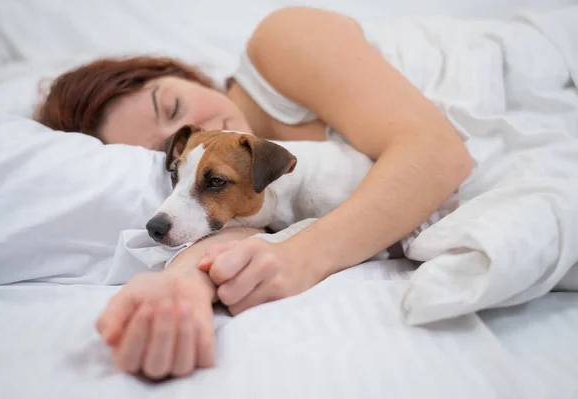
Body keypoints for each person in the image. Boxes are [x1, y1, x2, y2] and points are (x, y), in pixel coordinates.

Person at [35, 7, 472, 379]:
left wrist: (306, 255)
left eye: (171, 107)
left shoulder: (281, 40)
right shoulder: (245, 182)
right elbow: (239, 228)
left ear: (180, 73)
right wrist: (182, 284)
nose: (191, 136)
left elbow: (440, 155)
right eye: (168, 151)